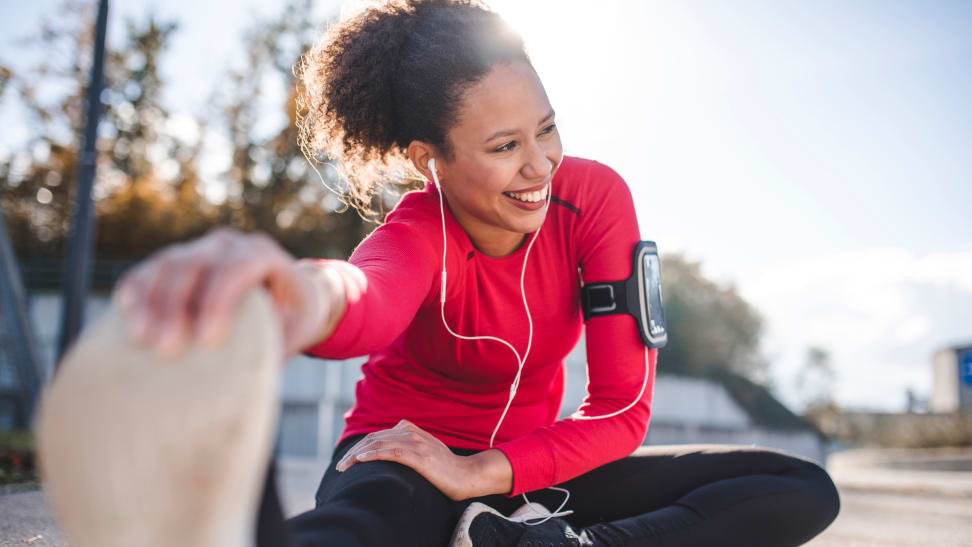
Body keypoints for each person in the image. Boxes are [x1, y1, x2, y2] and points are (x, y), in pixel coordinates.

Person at [81, 0, 840, 545]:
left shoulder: (594, 198)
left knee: (798, 486)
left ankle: (559, 546)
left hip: (523, 477)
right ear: (428, 159)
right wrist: (287, 289)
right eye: (505, 145)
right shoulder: (419, 230)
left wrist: (484, 473)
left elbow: (621, 410)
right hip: (402, 459)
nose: (540, 164)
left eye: (547, 128)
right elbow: (362, 301)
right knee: (362, 525)